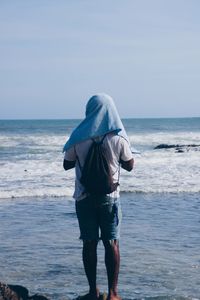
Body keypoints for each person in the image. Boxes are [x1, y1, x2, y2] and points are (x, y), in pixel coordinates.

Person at [63, 94, 134, 300]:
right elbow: (129, 166)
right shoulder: (117, 138)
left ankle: (93, 291)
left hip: (84, 197)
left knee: (89, 243)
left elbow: (67, 164)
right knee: (111, 242)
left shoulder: (78, 136)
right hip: (110, 197)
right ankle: (113, 293)